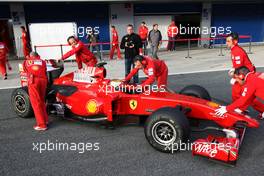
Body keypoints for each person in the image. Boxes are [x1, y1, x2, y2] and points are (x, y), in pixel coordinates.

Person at [226, 32, 264, 112]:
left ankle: (239, 108)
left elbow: (239, 68)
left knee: (244, 94)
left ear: (235, 42)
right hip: (244, 72)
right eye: (226, 41)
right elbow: (237, 66)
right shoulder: (234, 50)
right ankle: (240, 107)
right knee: (239, 93)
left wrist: (235, 77)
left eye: (228, 41)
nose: (226, 43)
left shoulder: (237, 51)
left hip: (247, 74)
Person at [23, 52, 49, 130]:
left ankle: (42, 125)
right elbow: (45, 70)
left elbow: (25, 71)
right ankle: (46, 120)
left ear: (30, 56)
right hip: (43, 81)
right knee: (41, 101)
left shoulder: (26, 61)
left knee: (35, 102)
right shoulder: (43, 61)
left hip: (33, 81)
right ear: (38, 55)